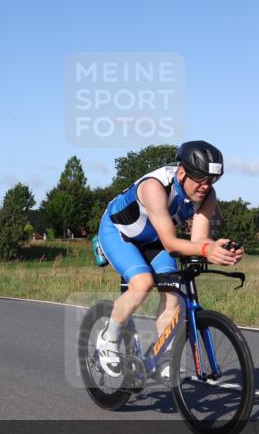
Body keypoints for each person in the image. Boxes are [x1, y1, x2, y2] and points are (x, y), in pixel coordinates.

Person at [95, 141, 244, 378]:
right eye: (201, 179)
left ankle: (162, 357)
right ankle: (108, 339)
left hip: (154, 239)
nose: (206, 186)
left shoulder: (207, 195)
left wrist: (218, 251)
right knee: (142, 283)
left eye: (211, 181)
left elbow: (199, 240)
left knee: (173, 294)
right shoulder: (155, 187)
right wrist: (207, 249)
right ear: (182, 172)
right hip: (120, 233)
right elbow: (170, 243)